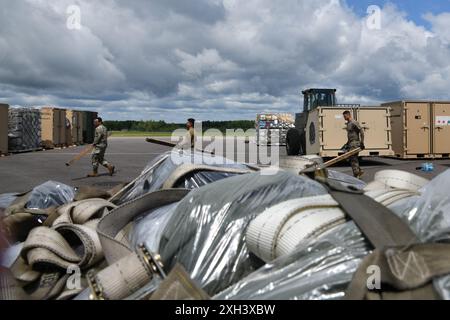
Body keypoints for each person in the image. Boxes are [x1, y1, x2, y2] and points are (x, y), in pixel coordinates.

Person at [343, 111, 365, 178]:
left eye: (344, 116)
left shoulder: (354, 122)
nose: (344, 118)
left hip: (355, 144)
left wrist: (362, 142)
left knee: (353, 159)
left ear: (348, 115)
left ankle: (356, 175)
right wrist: (347, 143)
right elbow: (351, 135)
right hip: (350, 143)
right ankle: (359, 171)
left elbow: (361, 132)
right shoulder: (349, 123)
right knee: (352, 159)